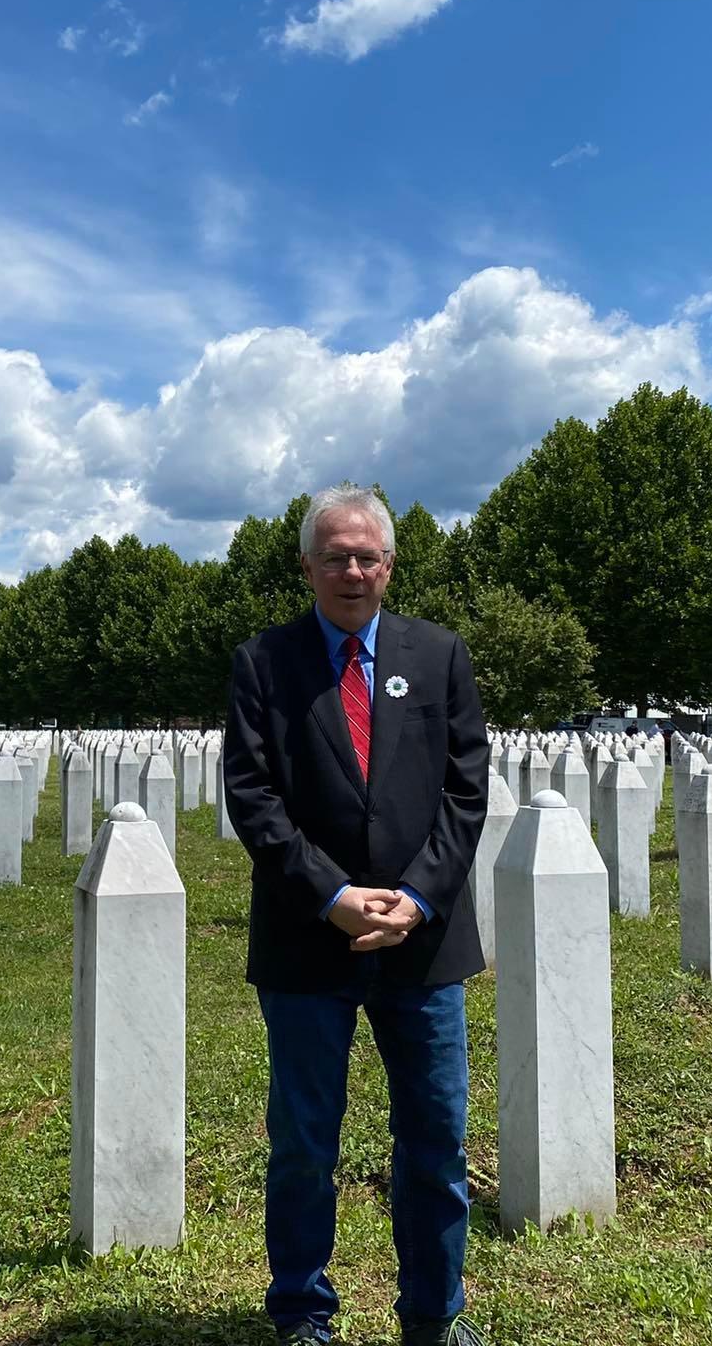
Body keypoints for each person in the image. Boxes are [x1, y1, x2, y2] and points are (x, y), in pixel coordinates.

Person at [222, 482, 490, 1346]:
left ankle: (434, 1315)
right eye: (334, 555)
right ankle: (302, 1312)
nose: (352, 569)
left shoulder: (440, 655)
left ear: (391, 563)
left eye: (367, 554)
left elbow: (465, 790)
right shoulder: (265, 663)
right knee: (304, 1143)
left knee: (436, 1141)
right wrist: (333, 897)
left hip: (424, 943)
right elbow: (254, 797)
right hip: (310, 942)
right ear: (306, 565)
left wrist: (413, 899)